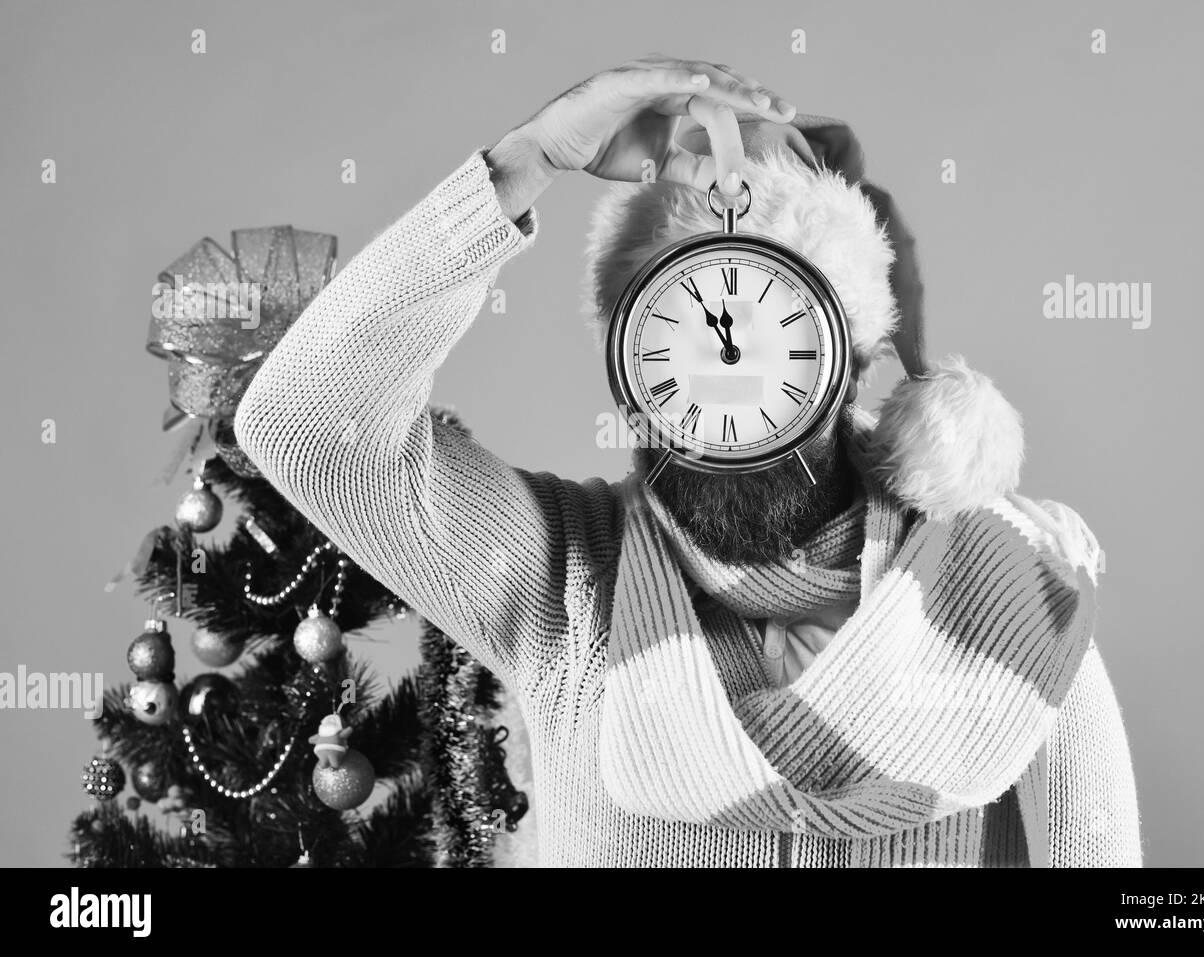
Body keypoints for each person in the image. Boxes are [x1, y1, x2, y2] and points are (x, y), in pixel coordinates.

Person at [234, 53, 1141, 867]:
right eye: (683, 346)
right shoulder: (568, 582)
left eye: (780, 343)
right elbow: (305, 423)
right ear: (630, 376)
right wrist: (527, 161)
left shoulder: (1012, 598)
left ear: (852, 363)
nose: (730, 395)